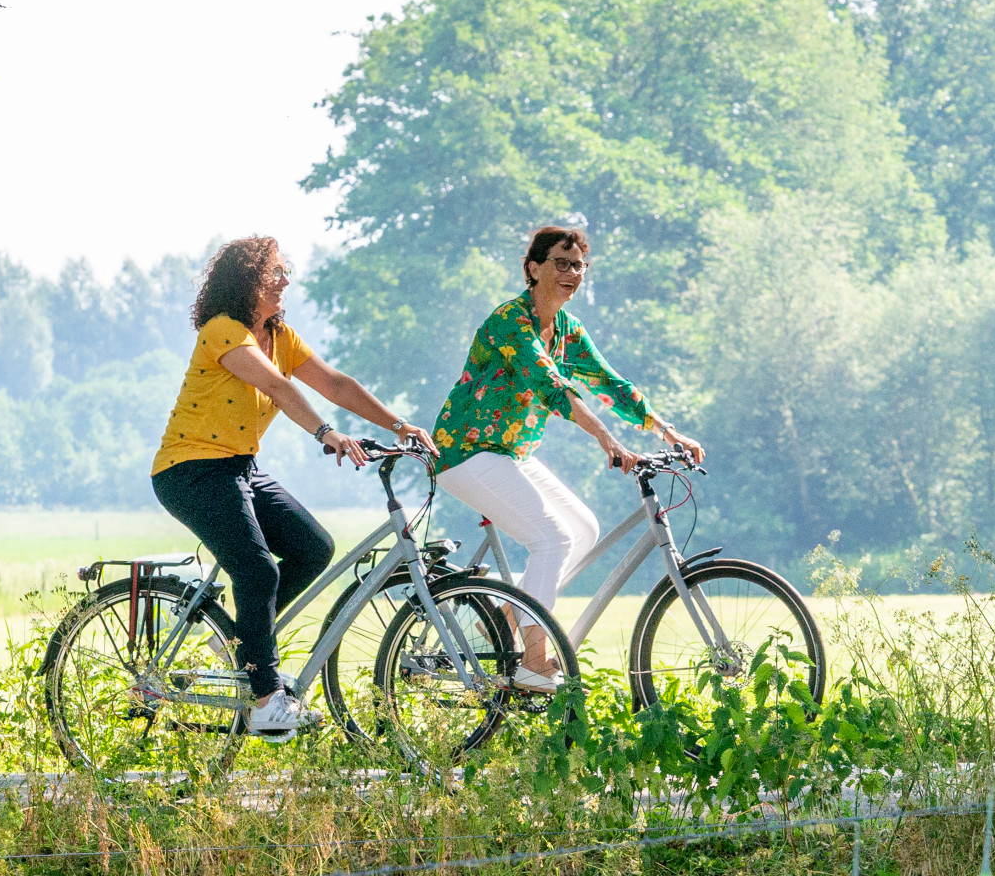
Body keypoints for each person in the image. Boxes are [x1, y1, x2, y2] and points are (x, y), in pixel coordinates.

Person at [151, 236, 438, 743]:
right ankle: (265, 697)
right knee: (258, 568)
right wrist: (327, 434)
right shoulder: (223, 331)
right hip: (191, 470)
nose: (286, 281)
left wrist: (400, 426)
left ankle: (247, 643)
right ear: (249, 282)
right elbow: (279, 389)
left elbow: (338, 384)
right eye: (276, 272)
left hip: (240, 466)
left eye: (286, 272)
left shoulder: (280, 337)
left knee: (313, 548)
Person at [431, 225, 703, 690]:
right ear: (533, 269)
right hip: (465, 452)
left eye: (579, 266)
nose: (572, 273)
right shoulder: (509, 321)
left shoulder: (567, 330)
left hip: (512, 452)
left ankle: (497, 622)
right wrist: (607, 440)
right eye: (561, 263)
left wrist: (666, 430)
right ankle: (533, 661)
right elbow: (550, 387)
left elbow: (608, 382)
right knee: (552, 538)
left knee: (583, 529)